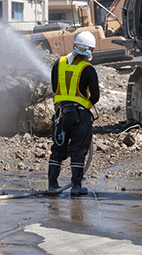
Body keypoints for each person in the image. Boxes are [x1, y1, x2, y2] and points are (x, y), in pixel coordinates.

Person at [47, 30, 100, 196]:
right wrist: (84, 106)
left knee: (58, 149)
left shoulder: (58, 63)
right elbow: (96, 96)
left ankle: (52, 185)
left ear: (75, 46)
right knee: (78, 151)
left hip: (61, 115)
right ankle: (76, 187)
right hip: (80, 117)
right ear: (90, 50)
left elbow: (55, 88)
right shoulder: (89, 70)